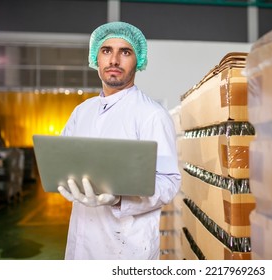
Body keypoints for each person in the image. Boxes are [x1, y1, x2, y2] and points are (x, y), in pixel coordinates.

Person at [56, 21, 181, 260]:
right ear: (96, 58)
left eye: (125, 52)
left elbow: (168, 182)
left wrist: (119, 198)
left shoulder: (151, 114)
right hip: (81, 241)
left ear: (138, 60)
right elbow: (62, 160)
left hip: (128, 247)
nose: (114, 60)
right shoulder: (82, 112)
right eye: (106, 51)